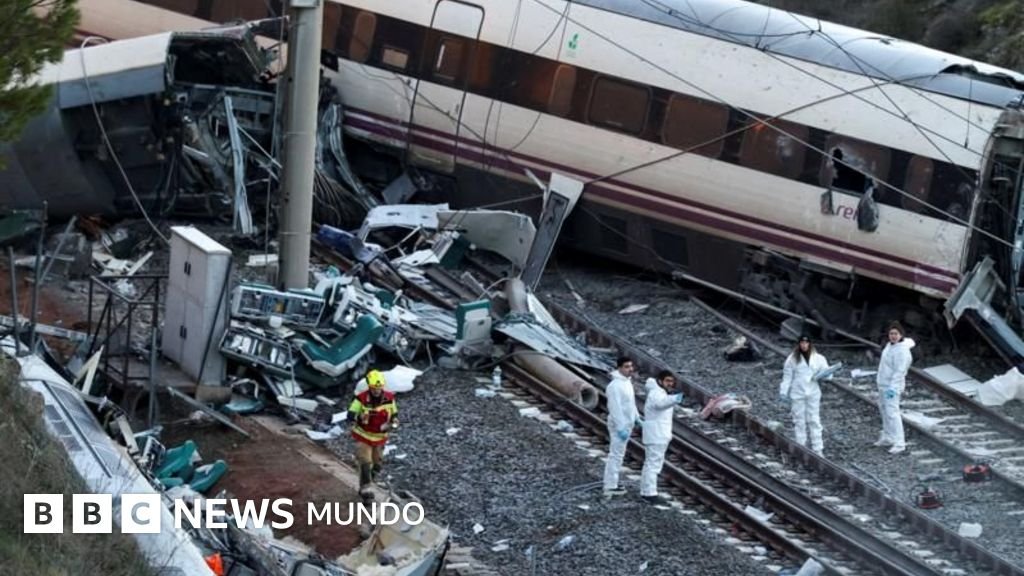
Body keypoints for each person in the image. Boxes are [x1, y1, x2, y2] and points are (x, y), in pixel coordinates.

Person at [348, 369, 398, 494]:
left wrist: (394, 422)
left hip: (380, 438)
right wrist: (359, 417)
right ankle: (365, 488)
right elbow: (350, 414)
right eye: (374, 388)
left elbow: (394, 414)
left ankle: (371, 480)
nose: (377, 391)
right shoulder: (361, 399)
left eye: (379, 388)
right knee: (365, 461)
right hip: (363, 436)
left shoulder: (390, 398)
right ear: (369, 387)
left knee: (378, 463)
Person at [779, 334, 830, 455]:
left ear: (810, 344)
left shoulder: (819, 358)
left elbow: (827, 373)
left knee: (814, 419)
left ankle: (818, 448)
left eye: (806, 343)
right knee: (799, 419)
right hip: (798, 392)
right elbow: (787, 377)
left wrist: (825, 375)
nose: (804, 345)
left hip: (813, 392)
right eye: (802, 343)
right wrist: (783, 391)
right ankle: (801, 446)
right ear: (799, 344)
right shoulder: (792, 359)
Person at [640, 370, 683, 504]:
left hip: (658, 434)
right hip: (656, 434)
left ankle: (647, 491)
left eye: (672, 381)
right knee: (653, 464)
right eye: (667, 381)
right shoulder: (656, 393)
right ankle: (649, 493)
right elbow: (660, 404)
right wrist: (675, 399)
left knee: (652, 463)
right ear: (660, 381)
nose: (670, 384)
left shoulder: (659, 392)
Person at [603, 356, 641, 497]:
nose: (630, 369)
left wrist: (637, 417)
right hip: (620, 425)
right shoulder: (614, 386)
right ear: (619, 368)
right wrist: (620, 427)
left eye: (631, 366)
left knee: (619, 454)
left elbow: (630, 403)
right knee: (616, 454)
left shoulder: (627, 382)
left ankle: (613, 482)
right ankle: (610, 485)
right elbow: (615, 408)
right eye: (626, 366)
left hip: (627, 423)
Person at [875, 322, 915, 454]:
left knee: (893, 413)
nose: (893, 336)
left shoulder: (902, 351)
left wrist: (893, 388)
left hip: (892, 387)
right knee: (884, 410)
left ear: (901, 335)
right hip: (883, 384)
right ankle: (888, 436)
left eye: (896, 334)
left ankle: (900, 442)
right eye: (891, 333)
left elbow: (900, 371)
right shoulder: (889, 346)